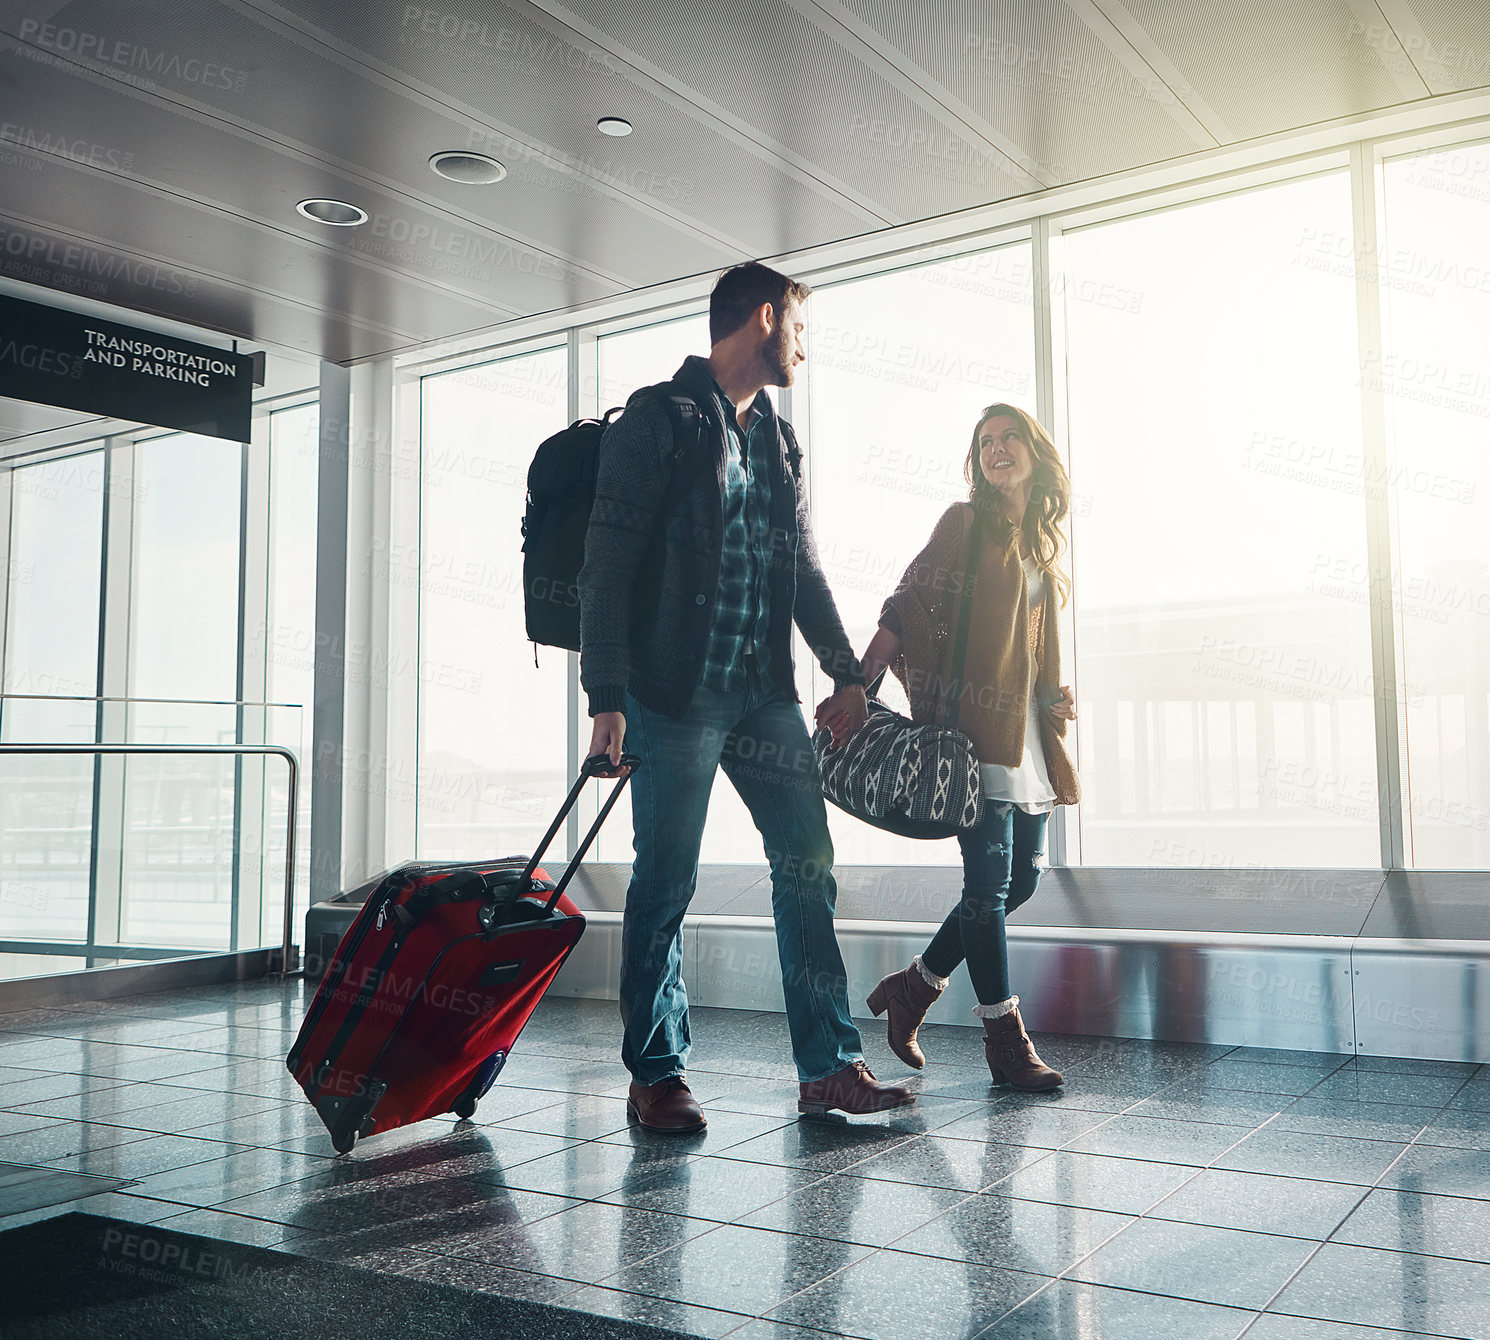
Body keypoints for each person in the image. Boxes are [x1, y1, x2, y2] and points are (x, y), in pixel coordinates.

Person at [579, 261, 914, 1130]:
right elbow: (604, 567)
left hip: (763, 693)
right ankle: (657, 1074)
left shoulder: (778, 441)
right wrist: (605, 695)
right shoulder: (660, 420)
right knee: (666, 882)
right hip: (669, 694)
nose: (804, 345)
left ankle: (828, 1065)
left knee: (807, 862)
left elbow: (800, 569)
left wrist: (846, 672)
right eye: (800, 327)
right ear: (765, 318)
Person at [817, 403, 1080, 1089]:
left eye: (1008, 437)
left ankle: (915, 986)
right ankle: (1005, 1042)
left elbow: (1028, 652)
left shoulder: (1042, 549)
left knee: (1021, 879)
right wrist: (855, 683)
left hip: (1028, 741)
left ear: (1034, 451)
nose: (996, 449)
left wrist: (1054, 697)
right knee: (988, 887)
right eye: (984, 442)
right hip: (973, 739)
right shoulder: (964, 525)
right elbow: (907, 604)